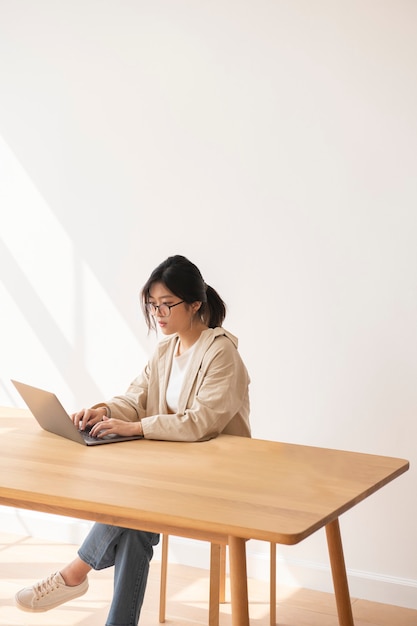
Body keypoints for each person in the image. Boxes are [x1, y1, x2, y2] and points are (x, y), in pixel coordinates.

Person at [15, 254, 251, 626]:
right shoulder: (165, 351)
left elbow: (202, 422)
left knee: (135, 503)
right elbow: (136, 398)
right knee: (136, 527)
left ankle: (74, 573)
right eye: (152, 305)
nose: (158, 314)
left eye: (166, 305)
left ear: (194, 304)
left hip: (216, 479)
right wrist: (104, 411)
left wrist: (136, 429)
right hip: (171, 473)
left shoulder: (221, 353)